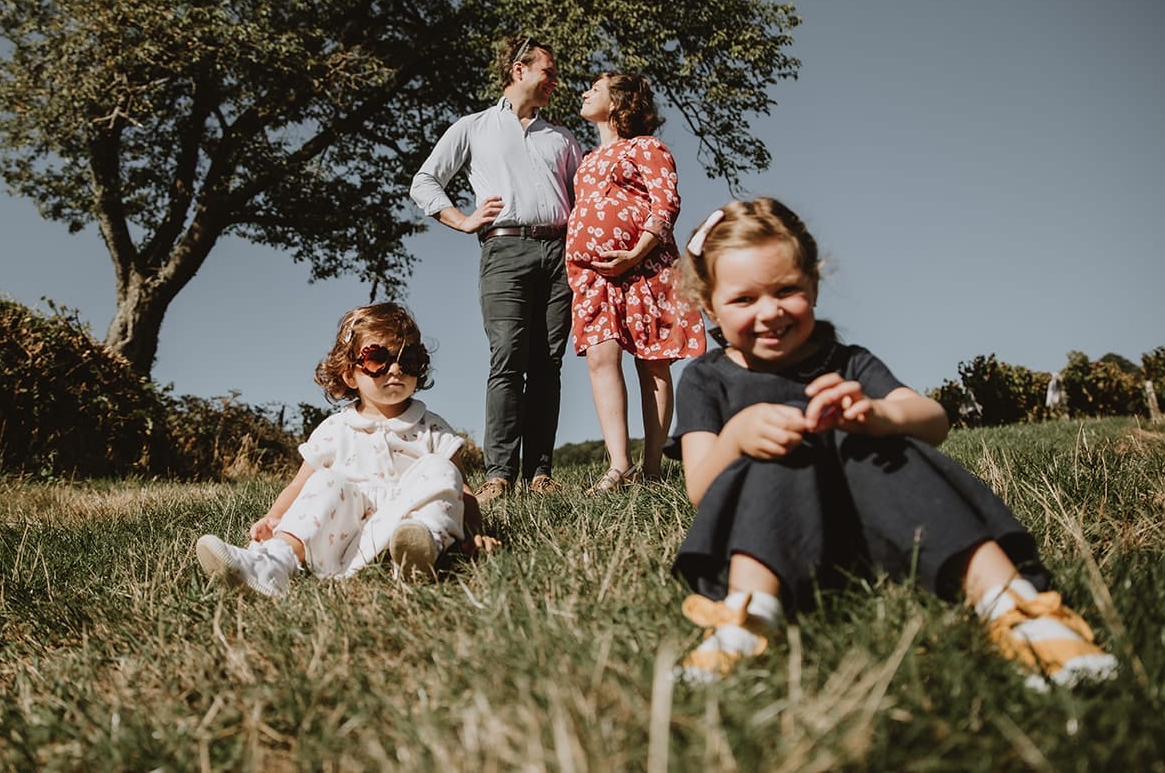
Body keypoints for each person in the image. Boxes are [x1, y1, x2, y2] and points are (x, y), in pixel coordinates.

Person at [665, 198, 1118, 690]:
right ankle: (747, 619)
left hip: (878, 535)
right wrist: (737, 437)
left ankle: (1014, 604)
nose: (769, 311)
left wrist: (880, 416)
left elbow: (934, 420)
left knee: (883, 444)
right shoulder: (706, 379)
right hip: (768, 546)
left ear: (813, 285)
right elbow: (700, 488)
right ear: (708, 304)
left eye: (786, 290)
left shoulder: (848, 362)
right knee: (784, 446)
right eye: (744, 300)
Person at [195, 302, 496, 597]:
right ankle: (273, 562)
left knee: (440, 469)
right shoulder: (335, 429)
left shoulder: (432, 428)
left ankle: (419, 556)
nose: (395, 369)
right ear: (350, 374)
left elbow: (462, 491)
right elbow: (299, 486)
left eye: (409, 359)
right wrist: (274, 517)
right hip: (342, 537)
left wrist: (474, 534)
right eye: (378, 359)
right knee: (326, 481)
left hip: (408, 530)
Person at [410, 36, 583, 503]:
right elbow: (424, 181)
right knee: (507, 356)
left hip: (560, 254)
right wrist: (463, 220)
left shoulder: (563, 138)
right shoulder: (474, 128)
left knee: (548, 363)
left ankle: (540, 473)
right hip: (504, 251)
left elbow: (585, 200)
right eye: (548, 72)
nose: (554, 81)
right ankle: (499, 474)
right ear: (519, 70)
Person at [566, 72, 705, 493]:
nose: (585, 92)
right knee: (600, 358)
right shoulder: (586, 160)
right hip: (594, 275)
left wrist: (634, 253)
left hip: (645, 267)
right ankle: (619, 465)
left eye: (596, 87)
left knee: (653, 361)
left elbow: (666, 204)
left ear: (618, 101)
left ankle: (653, 469)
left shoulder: (647, 147)